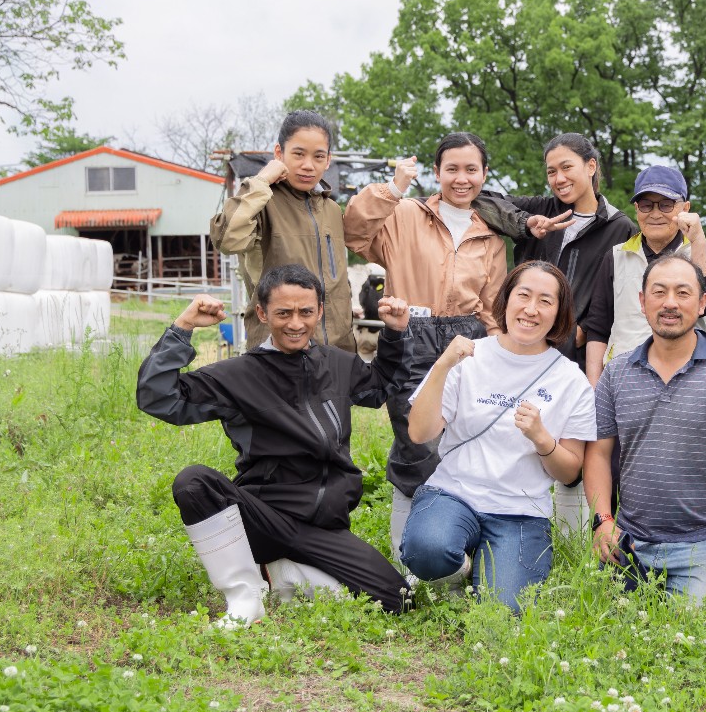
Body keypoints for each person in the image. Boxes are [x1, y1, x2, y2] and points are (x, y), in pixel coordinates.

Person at [136, 265, 413, 626]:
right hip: (263, 519)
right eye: (283, 313)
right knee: (194, 482)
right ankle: (244, 597)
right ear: (263, 313)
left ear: (320, 311)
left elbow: (380, 387)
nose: (296, 323)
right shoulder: (236, 375)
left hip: (324, 528)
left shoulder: (336, 363)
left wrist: (394, 332)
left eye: (306, 312)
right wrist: (183, 327)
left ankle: (282, 576)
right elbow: (157, 397)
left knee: (398, 600)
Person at [343, 132, 510, 558]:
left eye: (471, 169)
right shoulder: (403, 214)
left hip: (468, 338)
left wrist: (499, 356)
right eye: (451, 168)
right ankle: (408, 559)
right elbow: (353, 231)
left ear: (484, 174)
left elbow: (493, 306)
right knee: (416, 444)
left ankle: (457, 546)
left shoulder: (490, 234)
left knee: (463, 442)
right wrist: (393, 187)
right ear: (436, 173)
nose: (461, 178)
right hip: (411, 334)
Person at [399, 262, 596, 611]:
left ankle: (481, 569)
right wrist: (443, 364)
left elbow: (569, 472)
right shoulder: (467, 355)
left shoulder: (571, 380)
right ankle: (458, 567)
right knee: (426, 550)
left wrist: (541, 438)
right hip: (454, 493)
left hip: (520, 511)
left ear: (559, 313)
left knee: (504, 609)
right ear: (506, 300)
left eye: (545, 301)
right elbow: (418, 432)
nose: (531, 309)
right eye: (523, 295)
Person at [583, 255, 706, 607]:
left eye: (683, 293)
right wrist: (602, 520)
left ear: (701, 304)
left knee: (697, 631)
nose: (670, 302)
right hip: (632, 541)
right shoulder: (617, 371)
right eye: (659, 292)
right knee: (611, 628)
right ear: (642, 302)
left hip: (705, 542)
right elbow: (599, 452)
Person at [210, 110, 354, 352]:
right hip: (279, 351)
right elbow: (226, 238)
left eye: (318, 156)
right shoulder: (262, 202)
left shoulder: (330, 208)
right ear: (279, 153)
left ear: (328, 160)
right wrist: (262, 180)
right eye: (298, 154)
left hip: (337, 352)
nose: (308, 165)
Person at [505, 133, 637, 377]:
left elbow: (623, 297)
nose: (559, 178)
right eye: (551, 171)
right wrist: (524, 223)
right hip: (521, 346)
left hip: (576, 361)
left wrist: (581, 331)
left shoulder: (620, 228)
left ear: (591, 166)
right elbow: (483, 200)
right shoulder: (539, 210)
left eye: (566, 167)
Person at [584, 165, 706, 384]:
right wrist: (593, 387)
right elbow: (598, 328)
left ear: (685, 207)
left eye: (666, 205)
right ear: (636, 209)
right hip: (623, 374)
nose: (655, 214)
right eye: (646, 205)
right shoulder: (615, 256)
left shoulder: (702, 250)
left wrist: (697, 242)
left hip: (687, 375)